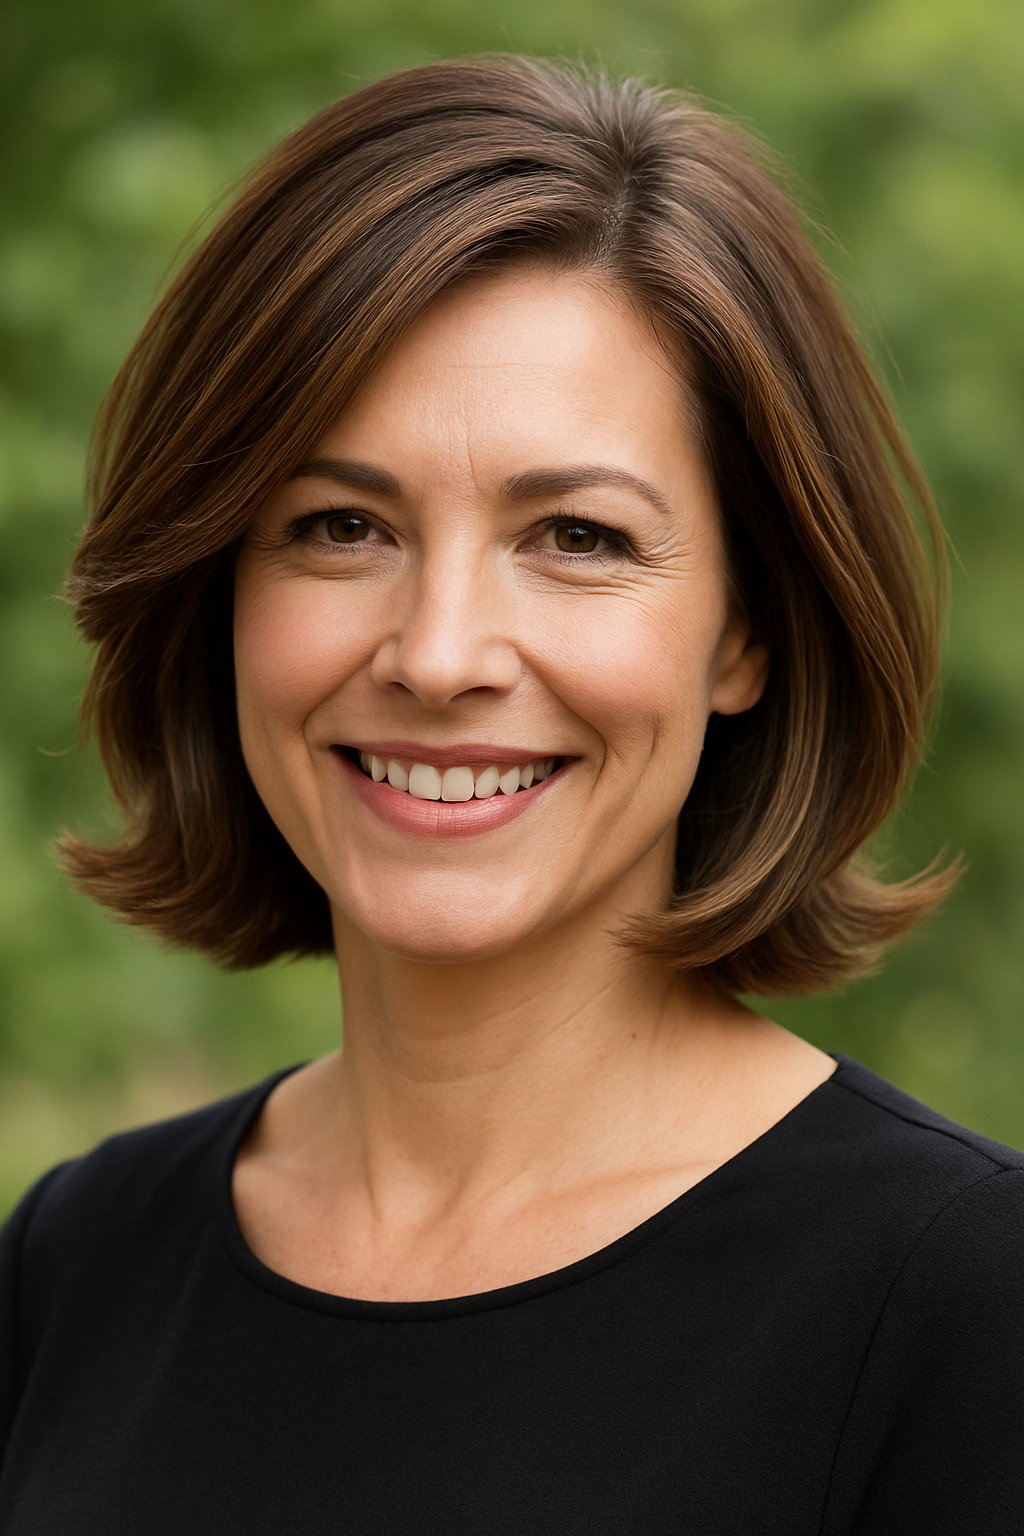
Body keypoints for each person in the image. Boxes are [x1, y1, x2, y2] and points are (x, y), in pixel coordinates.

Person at [1, 53, 1021, 1534]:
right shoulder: (78, 1261)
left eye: (580, 538)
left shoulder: (960, 1303)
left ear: (748, 629)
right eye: (340, 525)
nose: (439, 654)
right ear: (218, 588)